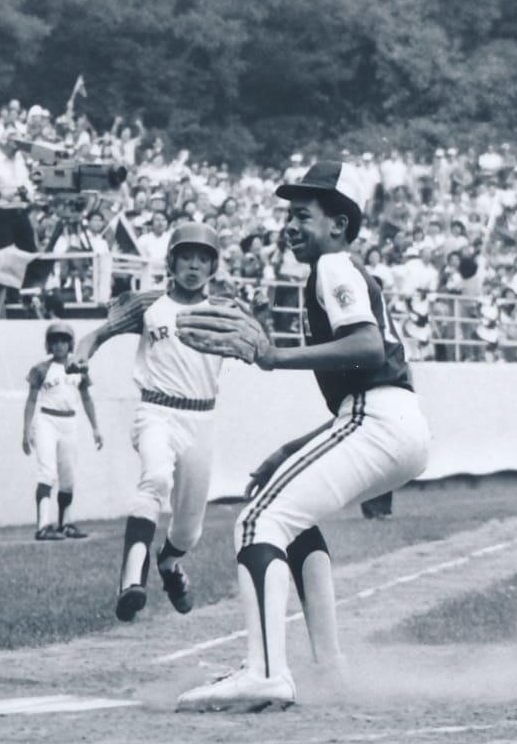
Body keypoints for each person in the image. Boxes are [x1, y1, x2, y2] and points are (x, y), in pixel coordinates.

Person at [174, 160, 431, 713]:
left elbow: (366, 348)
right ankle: (330, 669)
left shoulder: (333, 266)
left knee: (256, 521)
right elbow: (370, 373)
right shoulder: (335, 269)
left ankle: (266, 672)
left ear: (338, 223)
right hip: (386, 419)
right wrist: (293, 449)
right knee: (292, 521)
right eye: (288, 215)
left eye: (302, 214)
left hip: (377, 418)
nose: (289, 225)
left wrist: (273, 356)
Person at [68, 222, 227, 622]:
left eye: (203, 259)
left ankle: (169, 565)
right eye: (186, 257)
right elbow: (97, 335)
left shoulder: (223, 311)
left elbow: (259, 347)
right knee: (155, 479)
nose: (194, 266)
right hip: (155, 410)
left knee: (188, 531)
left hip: (201, 418)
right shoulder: (148, 305)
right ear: (171, 261)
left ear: (213, 267)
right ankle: (130, 581)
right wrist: (83, 354)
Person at [22, 321, 102, 541]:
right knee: (47, 472)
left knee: (68, 475)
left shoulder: (79, 368)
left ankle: (65, 523)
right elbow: (31, 401)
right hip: (47, 420)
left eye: (63, 341)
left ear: (70, 344)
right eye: (54, 341)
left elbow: (86, 398)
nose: (59, 346)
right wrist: (26, 430)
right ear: (49, 345)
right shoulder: (41, 369)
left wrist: (96, 428)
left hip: (69, 422)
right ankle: (43, 526)